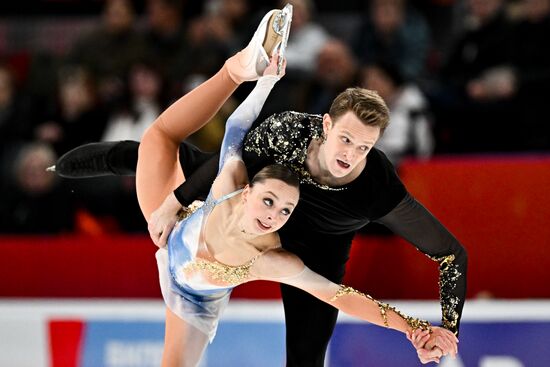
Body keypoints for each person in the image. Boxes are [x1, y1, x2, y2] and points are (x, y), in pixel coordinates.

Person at [52, 5, 465, 366]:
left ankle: (141, 151)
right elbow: (236, 132)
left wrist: (417, 329)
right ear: (247, 190)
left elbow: (342, 295)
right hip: (185, 221)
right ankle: (235, 67)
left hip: (200, 296)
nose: (274, 217)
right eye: (345, 139)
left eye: (364, 147)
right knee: (158, 141)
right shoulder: (233, 179)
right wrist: (258, 78)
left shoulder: (278, 255)